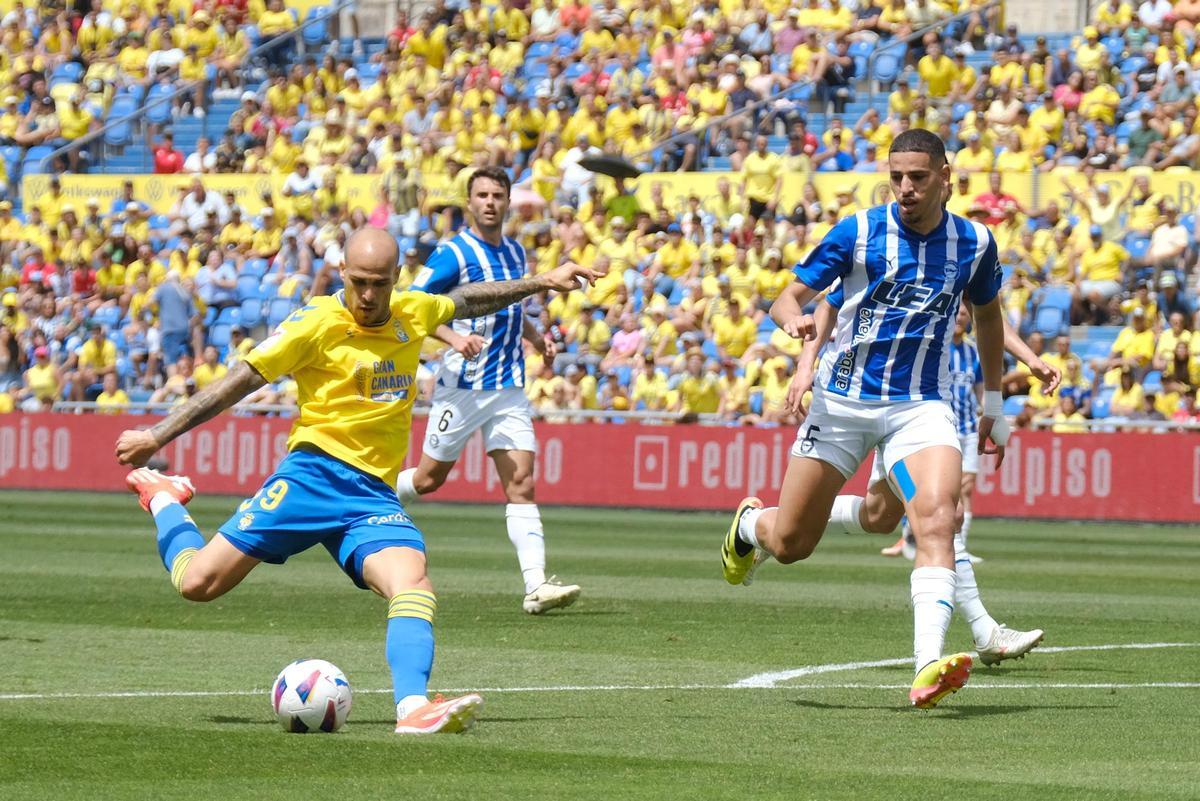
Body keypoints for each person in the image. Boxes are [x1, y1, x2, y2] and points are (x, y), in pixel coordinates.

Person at [115, 227, 596, 734]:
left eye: (380, 284)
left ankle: (412, 709)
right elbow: (239, 381)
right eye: (359, 282)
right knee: (196, 584)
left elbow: (468, 299)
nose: (368, 295)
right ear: (342, 273)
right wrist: (158, 434)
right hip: (310, 477)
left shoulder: (414, 309)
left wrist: (543, 281)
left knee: (412, 581)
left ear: (398, 279)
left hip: (371, 497)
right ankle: (165, 498)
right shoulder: (315, 324)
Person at [720, 130, 1010, 709]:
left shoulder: (975, 243)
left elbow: (988, 318)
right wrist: (792, 323)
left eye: (918, 177)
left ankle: (927, 663)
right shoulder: (858, 231)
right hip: (842, 405)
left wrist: (995, 406)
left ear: (945, 177)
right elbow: (786, 297)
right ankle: (752, 525)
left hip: (920, 407)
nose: (905, 187)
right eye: (897, 175)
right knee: (793, 542)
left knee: (937, 518)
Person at [395, 167, 583, 615]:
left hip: (508, 388)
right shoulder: (453, 253)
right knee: (427, 479)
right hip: (462, 387)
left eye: (497, 194)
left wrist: (535, 337)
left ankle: (536, 587)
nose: (490, 202)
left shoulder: (516, 251)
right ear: (469, 202)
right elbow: (412, 306)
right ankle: (367, 494)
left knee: (521, 483)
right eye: (482, 195)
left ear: (507, 201)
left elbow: (511, 304)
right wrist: (454, 338)